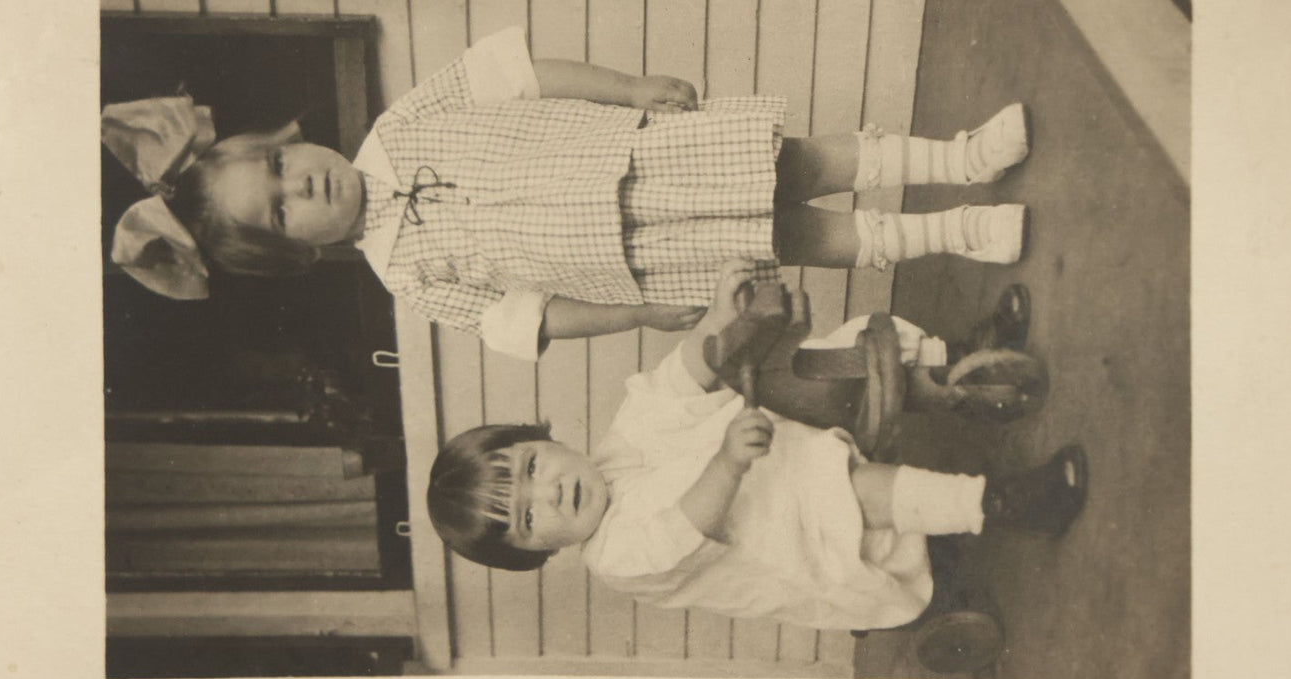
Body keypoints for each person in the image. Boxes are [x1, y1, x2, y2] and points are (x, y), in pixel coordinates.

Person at [105, 27, 1032, 360]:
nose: (297, 184)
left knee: (802, 164)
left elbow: (522, 76)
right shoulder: (406, 276)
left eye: (274, 166)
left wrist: (629, 89)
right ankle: (955, 234)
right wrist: (632, 318)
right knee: (800, 238)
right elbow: (530, 315)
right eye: (280, 209)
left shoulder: (403, 123)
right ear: (298, 248)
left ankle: (957, 164)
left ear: (285, 140)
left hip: (644, 152)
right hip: (638, 253)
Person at [426, 260, 1087, 632]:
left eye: (532, 467)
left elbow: (682, 375)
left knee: (838, 356)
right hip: (798, 542)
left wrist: (720, 318)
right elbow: (690, 522)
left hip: (795, 466)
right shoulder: (616, 558)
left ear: (543, 438)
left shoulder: (622, 438)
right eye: (527, 516)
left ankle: (961, 360)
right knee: (865, 495)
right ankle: (1002, 503)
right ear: (536, 551)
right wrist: (726, 461)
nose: (549, 491)